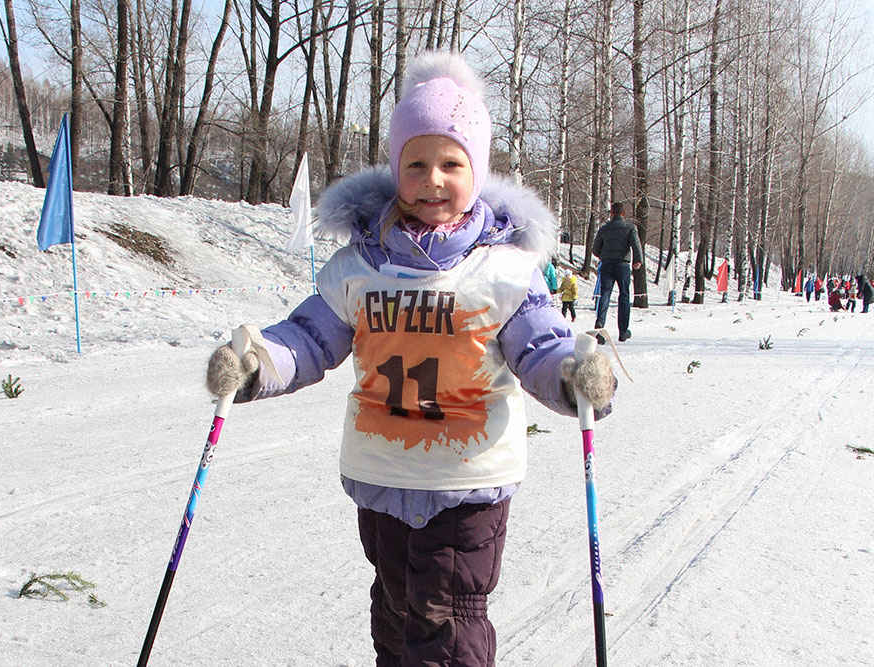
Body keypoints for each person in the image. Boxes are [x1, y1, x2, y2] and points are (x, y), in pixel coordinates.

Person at [205, 51, 616, 667]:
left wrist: (573, 374)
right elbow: (309, 339)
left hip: (467, 478)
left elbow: (539, 344)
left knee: (445, 626)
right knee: (396, 616)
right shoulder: (359, 268)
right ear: (395, 169)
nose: (432, 179)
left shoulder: (504, 270)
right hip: (382, 473)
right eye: (416, 163)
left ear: (475, 172)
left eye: (451, 163)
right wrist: (256, 363)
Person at [592, 201, 643, 342]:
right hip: (623, 265)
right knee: (624, 297)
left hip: (607, 264)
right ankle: (623, 331)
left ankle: (600, 324)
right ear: (623, 213)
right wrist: (638, 260)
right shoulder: (630, 227)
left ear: (611, 213)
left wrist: (603, 255)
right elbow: (636, 244)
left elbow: (595, 249)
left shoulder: (604, 228)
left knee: (605, 295)